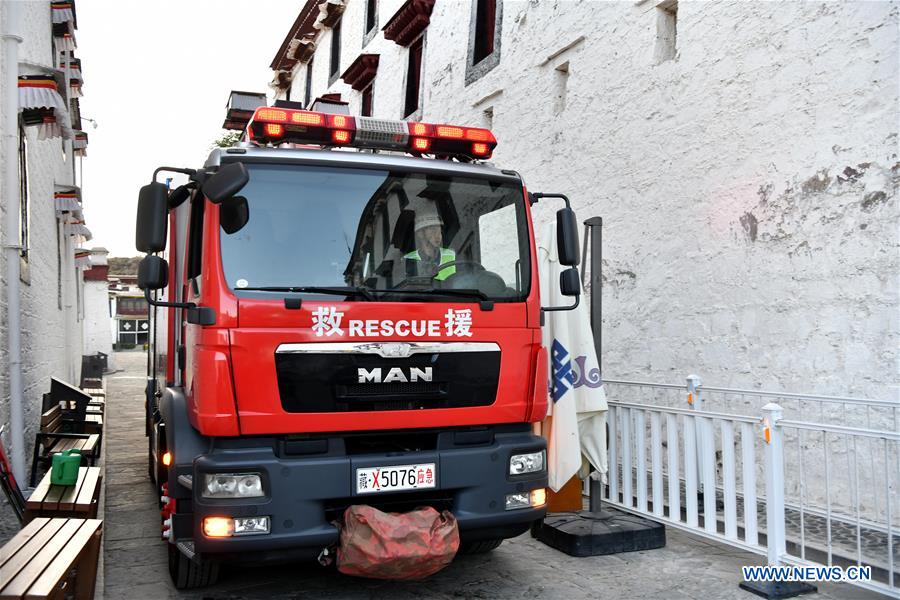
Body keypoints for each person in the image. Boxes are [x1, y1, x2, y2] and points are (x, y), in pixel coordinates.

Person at [404, 204, 456, 281]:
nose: (438, 235)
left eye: (439, 229)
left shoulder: (451, 255)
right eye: (432, 229)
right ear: (420, 233)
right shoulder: (409, 260)